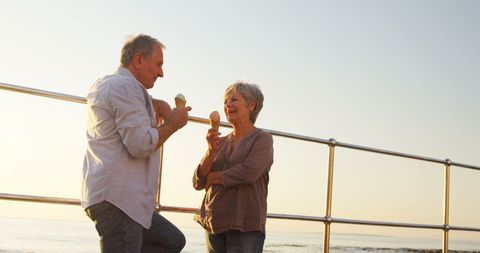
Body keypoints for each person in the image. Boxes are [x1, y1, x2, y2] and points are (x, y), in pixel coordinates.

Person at [81, 34, 189, 253]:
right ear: (138, 60)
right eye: (158, 64)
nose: (161, 72)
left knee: (173, 241)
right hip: (119, 200)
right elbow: (140, 145)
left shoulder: (108, 84)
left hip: (117, 198)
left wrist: (152, 102)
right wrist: (173, 124)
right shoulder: (126, 88)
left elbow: (120, 110)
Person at [193, 81, 274, 253]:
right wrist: (210, 151)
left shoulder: (262, 139)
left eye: (234, 100)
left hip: (245, 224)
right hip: (214, 222)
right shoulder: (219, 142)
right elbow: (198, 182)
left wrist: (216, 177)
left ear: (252, 105)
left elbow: (249, 172)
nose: (227, 105)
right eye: (225, 101)